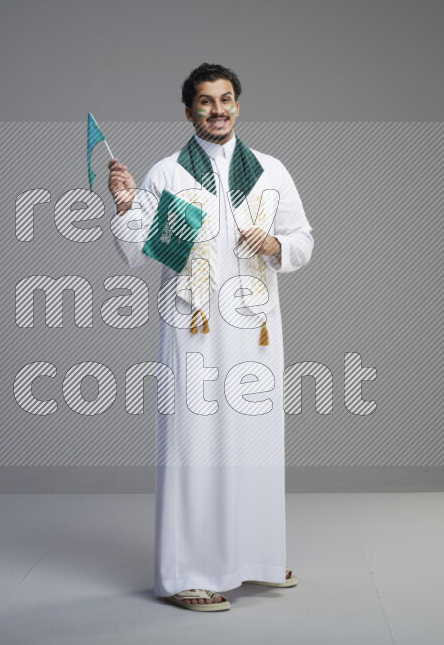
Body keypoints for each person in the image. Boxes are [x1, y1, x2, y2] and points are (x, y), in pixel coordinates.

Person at [108, 63, 314, 611]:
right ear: (189, 111)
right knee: (193, 445)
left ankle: (255, 558)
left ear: (238, 106)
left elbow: (302, 239)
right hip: (192, 329)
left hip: (254, 329)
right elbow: (134, 251)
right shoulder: (169, 173)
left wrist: (275, 245)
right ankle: (186, 575)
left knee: (255, 442)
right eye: (206, 101)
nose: (217, 110)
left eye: (226, 100)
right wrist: (126, 203)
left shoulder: (269, 171)